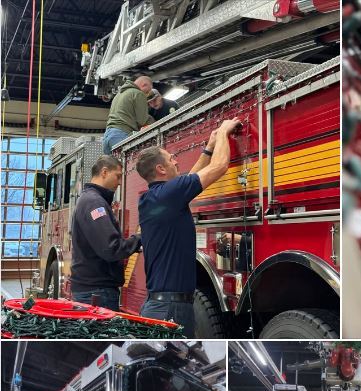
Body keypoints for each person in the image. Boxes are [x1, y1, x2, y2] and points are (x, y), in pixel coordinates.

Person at [136, 118, 241, 336]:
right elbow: (220, 167)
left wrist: (209, 148)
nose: (176, 162)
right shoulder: (168, 195)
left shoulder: (158, 197)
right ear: (160, 169)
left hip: (164, 306)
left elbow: (190, 179)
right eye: (171, 158)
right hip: (169, 309)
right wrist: (223, 132)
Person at [70, 156, 141, 310]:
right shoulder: (94, 203)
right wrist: (139, 239)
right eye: (118, 175)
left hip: (92, 290)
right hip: (97, 292)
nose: (120, 182)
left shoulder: (89, 199)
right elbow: (111, 248)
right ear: (104, 172)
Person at [102, 76, 154, 154]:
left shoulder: (119, 94)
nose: (146, 95)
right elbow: (142, 121)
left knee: (111, 166)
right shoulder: (138, 93)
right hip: (121, 135)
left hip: (107, 136)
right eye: (147, 91)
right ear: (144, 85)